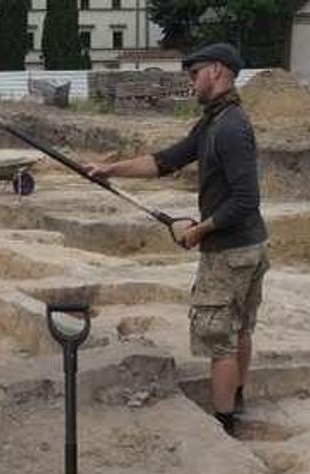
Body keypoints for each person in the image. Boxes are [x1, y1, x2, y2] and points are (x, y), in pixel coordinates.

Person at [86, 42, 268, 435]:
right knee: (239, 330)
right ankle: (235, 401)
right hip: (246, 247)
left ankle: (224, 425)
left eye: (194, 73)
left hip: (231, 252)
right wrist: (110, 169)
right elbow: (165, 160)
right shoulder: (213, 122)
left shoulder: (231, 127)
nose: (190, 81)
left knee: (220, 340)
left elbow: (245, 200)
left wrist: (199, 230)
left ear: (217, 71)